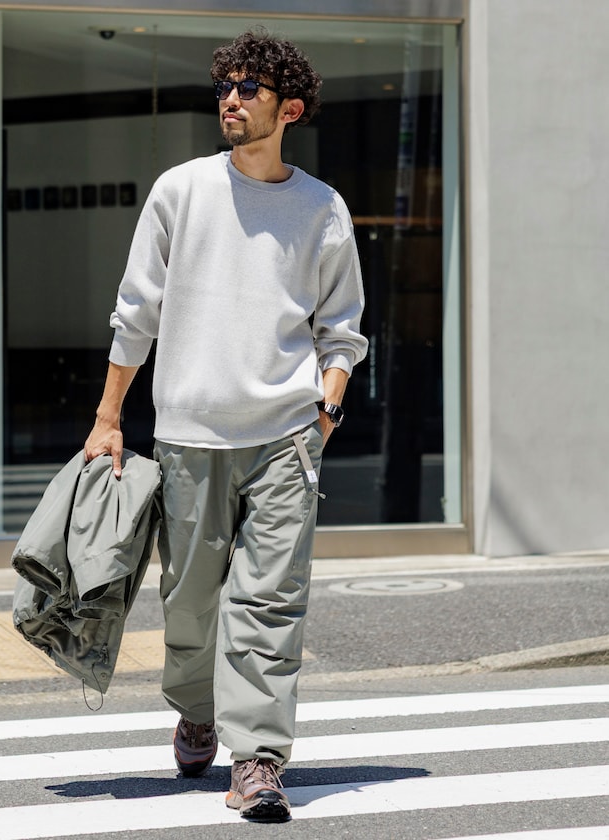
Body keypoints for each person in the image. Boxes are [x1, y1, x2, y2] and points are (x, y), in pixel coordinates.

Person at [84, 28, 368, 823]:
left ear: (290, 109)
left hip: (285, 437)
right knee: (190, 606)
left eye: (249, 90)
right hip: (188, 435)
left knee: (270, 602)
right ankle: (197, 709)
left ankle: (258, 759)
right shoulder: (180, 191)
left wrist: (327, 409)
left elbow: (342, 328)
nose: (231, 101)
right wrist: (109, 417)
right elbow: (135, 311)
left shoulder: (321, 207)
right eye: (225, 88)